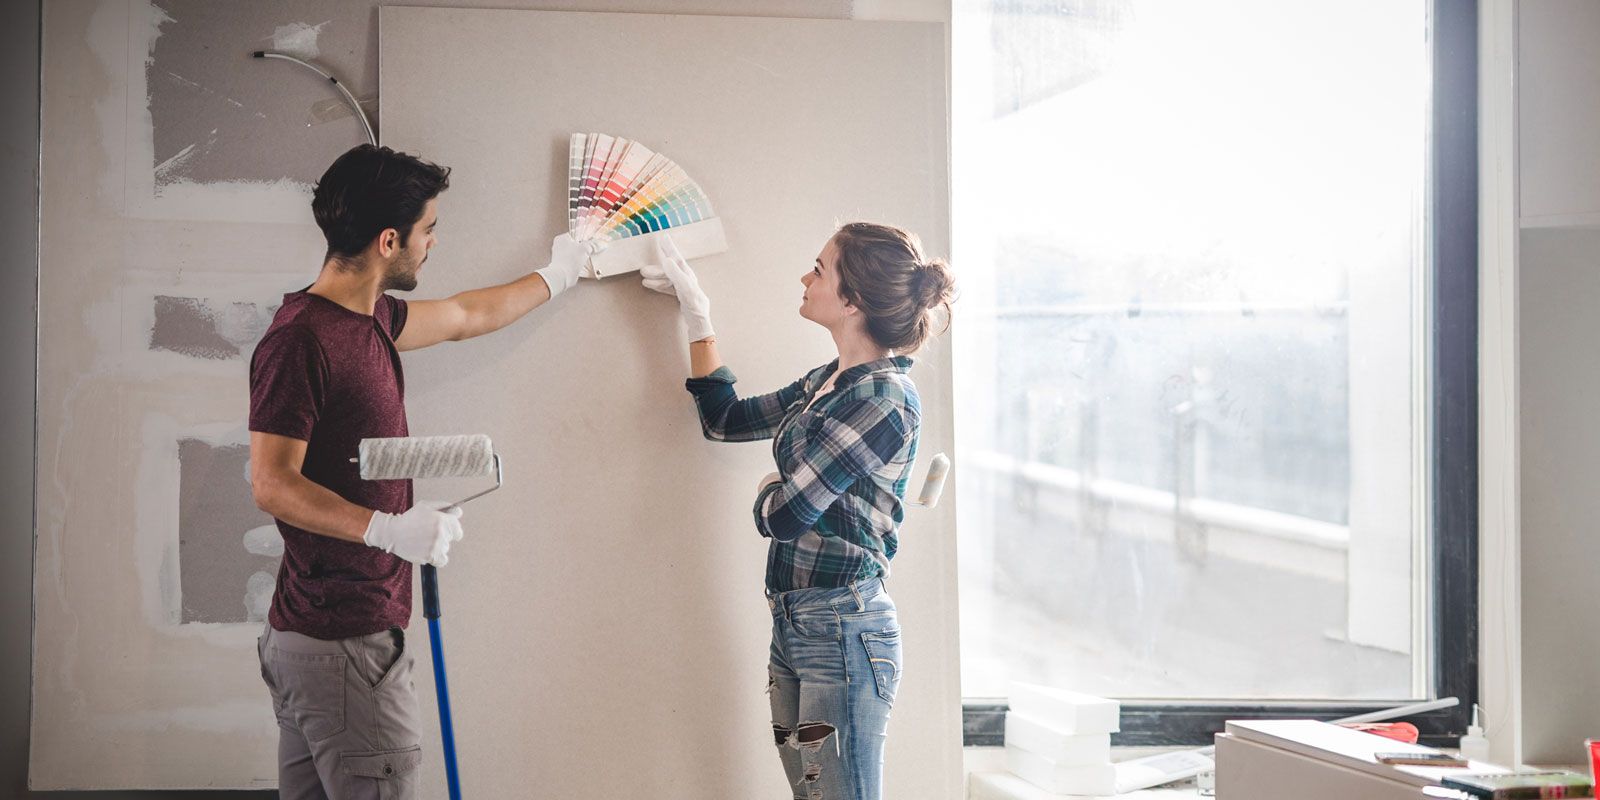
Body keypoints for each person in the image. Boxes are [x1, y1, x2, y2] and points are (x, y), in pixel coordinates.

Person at [247, 144, 597, 799]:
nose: (433, 243)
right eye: (428, 230)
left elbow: (466, 316)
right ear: (389, 241)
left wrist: (560, 274)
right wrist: (386, 529)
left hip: (320, 641)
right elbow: (271, 481)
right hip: (345, 644)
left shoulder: (368, 319)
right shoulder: (302, 340)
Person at [641, 222, 955, 800]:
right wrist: (698, 316)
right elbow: (726, 420)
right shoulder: (828, 382)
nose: (806, 278)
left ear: (852, 298)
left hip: (843, 626)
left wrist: (767, 492)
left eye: (819, 268)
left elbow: (786, 516)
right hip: (795, 622)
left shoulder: (883, 399)